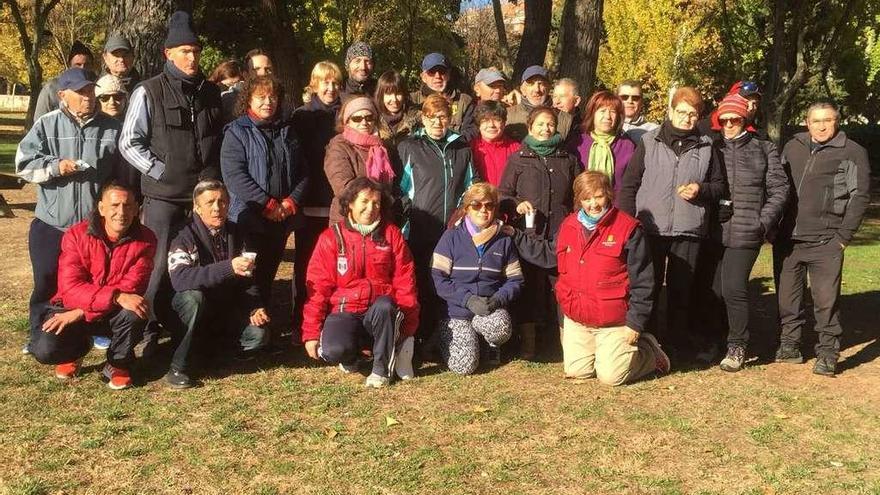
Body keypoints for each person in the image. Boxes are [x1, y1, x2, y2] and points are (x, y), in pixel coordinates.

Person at [119, 11, 224, 356]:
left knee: (202, 263)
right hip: (163, 198)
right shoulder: (147, 91)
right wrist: (158, 170)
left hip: (202, 199)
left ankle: (200, 327)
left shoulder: (211, 93)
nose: (192, 58)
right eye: (184, 51)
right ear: (168, 54)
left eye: (195, 50)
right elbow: (128, 142)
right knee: (158, 265)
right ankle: (149, 330)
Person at [510, 171, 669, 385]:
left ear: (609, 195)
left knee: (611, 377)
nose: (593, 204)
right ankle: (606, 352)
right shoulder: (569, 225)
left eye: (599, 196)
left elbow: (643, 281)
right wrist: (514, 235)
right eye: (586, 198)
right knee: (578, 372)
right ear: (579, 200)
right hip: (578, 318)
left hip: (614, 319)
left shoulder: (628, 229)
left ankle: (649, 353)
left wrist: (635, 323)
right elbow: (549, 255)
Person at [16, 68, 121, 354]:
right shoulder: (46, 125)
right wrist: (55, 167)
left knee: (95, 279)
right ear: (63, 95)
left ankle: (97, 330)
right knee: (46, 280)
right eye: (81, 92)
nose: (88, 98)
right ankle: (38, 333)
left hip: (92, 225)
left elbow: (121, 175)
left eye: (90, 91)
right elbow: (23, 165)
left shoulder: (112, 128)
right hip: (52, 222)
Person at [618, 86, 726, 356]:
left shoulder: (707, 145)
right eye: (682, 112)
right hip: (649, 227)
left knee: (681, 290)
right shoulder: (649, 141)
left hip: (688, 229)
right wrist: (629, 223)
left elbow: (719, 186)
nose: (687, 118)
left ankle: (677, 344)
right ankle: (648, 342)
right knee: (649, 286)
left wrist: (701, 189)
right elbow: (630, 184)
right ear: (670, 111)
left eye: (692, 114)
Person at [28, 182, 156, 390]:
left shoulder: (147, 239)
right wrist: (113, 297)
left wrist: (82, 311)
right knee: (45, 350)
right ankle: (75, 351)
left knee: (135, 309)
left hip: (107, 311)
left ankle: (118, 363)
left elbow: (132, 287)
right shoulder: (76, 235)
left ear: (136, 209)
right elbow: (70, 288)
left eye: (127, 205)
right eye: (114, 205)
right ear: (101, 208)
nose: (121, 212)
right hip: (73, 305)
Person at [773, 102, 870, 376]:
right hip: (788, 240)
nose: (822, 125)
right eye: (816, 121)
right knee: (787, 300)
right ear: (807, 121)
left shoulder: (852, 152)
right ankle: (789, 345)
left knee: (826, 302)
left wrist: (842, 237)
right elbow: (777, 187)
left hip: (826, 241)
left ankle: (827, 352)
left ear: (836, 122)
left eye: (827, 120)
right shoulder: (793, 146)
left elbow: (859, 196)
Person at [695, 93, 789, 372]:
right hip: (716, 230)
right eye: (723, 121)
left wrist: (763, 222)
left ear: (744, 119)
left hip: (747, 230)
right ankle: (714, 340)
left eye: (734, 119)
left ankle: (738, 344)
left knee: (734, 288)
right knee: (714, 290)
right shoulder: (713, 147)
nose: (728, 125)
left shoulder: (764, 148)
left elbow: (779, 189)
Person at [302, 177, 419, 388]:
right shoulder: (331, 237)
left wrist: (408, 329)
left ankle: (381, 370)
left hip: (380, 312)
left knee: (385, 306)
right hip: (345, 309)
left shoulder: (391, 234)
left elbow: (405, 280)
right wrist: (311, 332)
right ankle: (351, 357)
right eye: (364, 201)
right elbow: (317, 288)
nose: (370, 208)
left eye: (376, 203)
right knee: (332, 351)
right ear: (350, 204)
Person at [165, 180, 269, 388]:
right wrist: (228, 267)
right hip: (191, 308)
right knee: (193, 298)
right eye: (210, 202)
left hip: (224, 309)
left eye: (222, 201)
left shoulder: (237, 232)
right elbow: (180, 278)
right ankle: (178, 367)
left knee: (259, 335)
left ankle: (211, 351)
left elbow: (249, 278)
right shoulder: (182, 235)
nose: (217, 208)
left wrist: (254, 307)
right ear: (196, 206)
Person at [221, 75, 309, 314]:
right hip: (248, 216)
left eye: (272, 97)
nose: (267, 102)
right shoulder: (237, 132)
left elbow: (303, 170)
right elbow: (235, 176)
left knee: (269, 269)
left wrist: (290, 202)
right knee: (249, 273)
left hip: (282, 216)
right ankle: (248, 323)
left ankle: (264, 317)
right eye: (261, 97)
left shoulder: (287, 131)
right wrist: (267, 205)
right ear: (249, 100)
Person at [498, 106, 580, 359]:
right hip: (529, 233)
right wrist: (515, 205)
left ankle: (567, 342)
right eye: (541, 124)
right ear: (530, 126)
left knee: (562, 285)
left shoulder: (568, 158)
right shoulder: (518, 157)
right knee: (530, 286)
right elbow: (503, 193)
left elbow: (578, 194)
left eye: (550, 124)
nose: (546, 129)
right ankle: (529, 343)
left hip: (560, 232)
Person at [398, 94, 478, 348]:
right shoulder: (409, 147)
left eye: (442, 117)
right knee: (420, 280)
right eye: (431, 117)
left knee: (446, 282)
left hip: (450, 231)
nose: (437, 122)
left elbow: (471, 185)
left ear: (450, 119)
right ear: (423, 118)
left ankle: (443, 335)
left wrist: (460, 214)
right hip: (419, 228)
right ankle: (417, 335)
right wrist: (408, 214)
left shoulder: (461, 148)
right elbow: (399, 188)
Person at [432, 182, 523, 374]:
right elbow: (438, 279)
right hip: (456, 311)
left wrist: (498, 299)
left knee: (501, 327)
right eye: (476, 205)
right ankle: (443, 338)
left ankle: (488, 343)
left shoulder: (504, 241)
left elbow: (515, 280)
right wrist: (468, 300)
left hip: (490, 307)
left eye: (489, 205)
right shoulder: (450, 238)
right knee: (464, 367)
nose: (483, 210)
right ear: (466, 209)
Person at [290, 61, 344, 335]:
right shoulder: (301, 116)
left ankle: (333, 320)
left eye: (335, 82)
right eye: (325, 82)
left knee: (337, 263)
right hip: (310, 200)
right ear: (314, 84)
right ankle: (303, 320)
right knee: (307, 264)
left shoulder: (346, 114)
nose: (330, 88)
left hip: (338, 202)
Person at [325, 96, 396, 225]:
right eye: (357, 118)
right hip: (348, 220)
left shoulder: (382, 148)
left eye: (369, 117)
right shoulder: (339, 146)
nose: (364, 122)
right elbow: (343, 187)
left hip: (380, 220)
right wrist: (376, 200)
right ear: (347, 121)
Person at [569, 90, 636, 199]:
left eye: (613, 112)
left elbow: (632, 185)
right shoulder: (578, 143)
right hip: (582, 209)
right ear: (592, 113)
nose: (607, 116)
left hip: (616, 210)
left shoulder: (627, 146)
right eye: (602, 111)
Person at [410, 53, 476, 141]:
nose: (437, 76)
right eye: (432, 71)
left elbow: (470, 131)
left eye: (442, 71)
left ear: (448, 75)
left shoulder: (464, 101)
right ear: (423, 77)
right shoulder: (412, 100)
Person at [505, 66, 574, 142]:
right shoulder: (507, 115)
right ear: (522, 90)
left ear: (549, 88)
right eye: (531, 84)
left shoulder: (565, 119)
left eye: (541, 84)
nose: (537, 89)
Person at [34, 41, 95, 121]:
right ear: (69, 65)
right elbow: (39, 120)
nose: (82, 68)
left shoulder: (99, 85)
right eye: (78, 64)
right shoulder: (51, 88)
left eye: (86, 65)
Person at [470, 101, 519, 186]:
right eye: (485, 120)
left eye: (497, 120)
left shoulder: (516, 149)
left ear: (503, 124)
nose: (491, 125)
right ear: (478, 125)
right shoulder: (470, 148)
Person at [373, 70, 421, 150]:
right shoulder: (373, 121)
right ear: (381, 95)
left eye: (398, 93)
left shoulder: (418, 119)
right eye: (388, 94)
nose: (394, 99)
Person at [221, 50, 274, 121]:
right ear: (245, 74)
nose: (263, 73)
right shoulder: (229, 101)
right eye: (256, 69)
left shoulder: (281, 101)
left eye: (268, 69)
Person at [617, 80, 658, 144]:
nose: (630, 101)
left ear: (641, 102)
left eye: (635, 98)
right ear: (616, 99)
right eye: (624, 97)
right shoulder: (607, 127)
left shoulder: (654, 131)